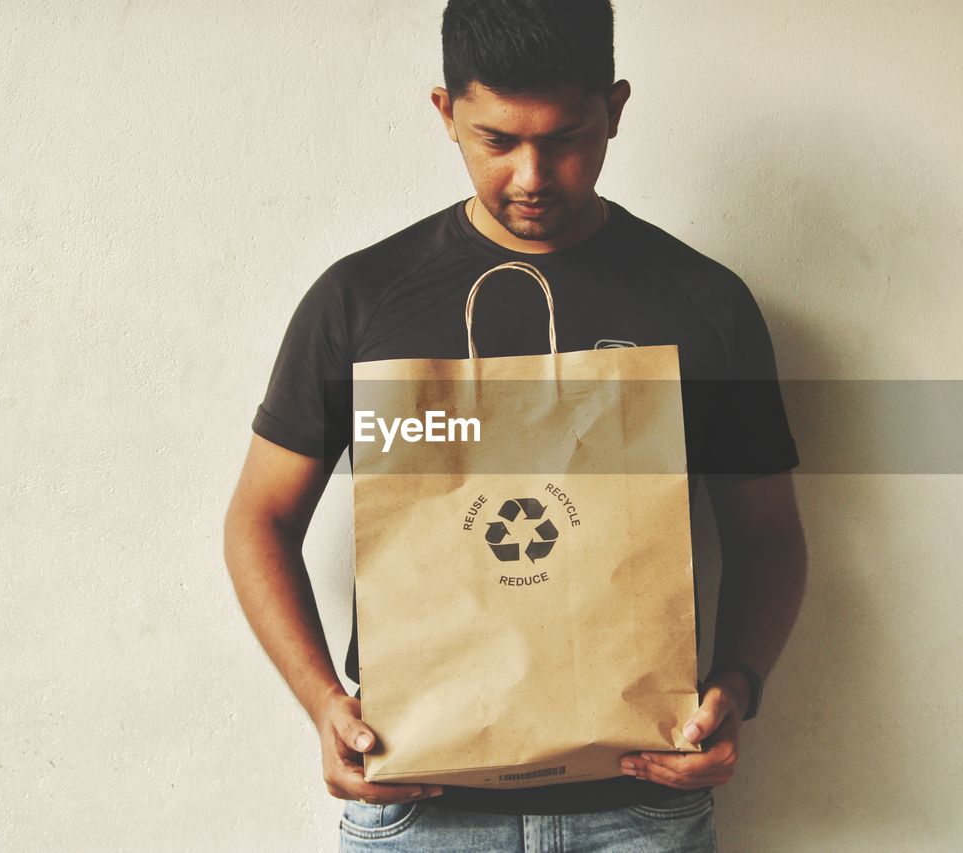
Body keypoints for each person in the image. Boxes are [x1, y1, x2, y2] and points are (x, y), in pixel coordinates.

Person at [223, 0, 808, 849]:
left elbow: (766, 536)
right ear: (445, 112)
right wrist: (323, 703)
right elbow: (258, 518)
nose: (534, 175)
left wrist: (739, 684)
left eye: (568, 136)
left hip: (640, 802)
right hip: (419, 802)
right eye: (498, 140)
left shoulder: (705, 306)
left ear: (614, 108)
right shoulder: (360, 303)